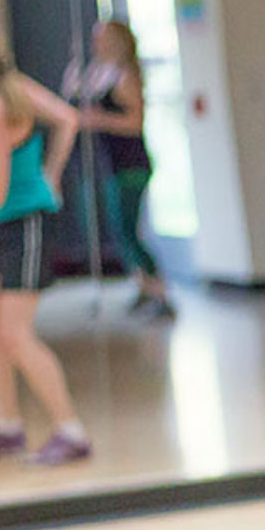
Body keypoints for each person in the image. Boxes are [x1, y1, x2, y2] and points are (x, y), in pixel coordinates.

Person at [0, 16, 91, 465]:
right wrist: (52, 170)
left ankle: (71, 430)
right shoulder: (5, 91)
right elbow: (67, 117)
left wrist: (47, 180)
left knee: (13, 332)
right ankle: (6, 426)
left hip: (23, 222)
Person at [64, 20, 173, 320]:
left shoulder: (126, 78)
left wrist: (99, 120)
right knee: (119, 229)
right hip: (112, 165)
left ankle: (160, 291)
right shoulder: (102, 75)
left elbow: (134, 122)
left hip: (131, 165)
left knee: (128, 230)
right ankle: (143, 286)